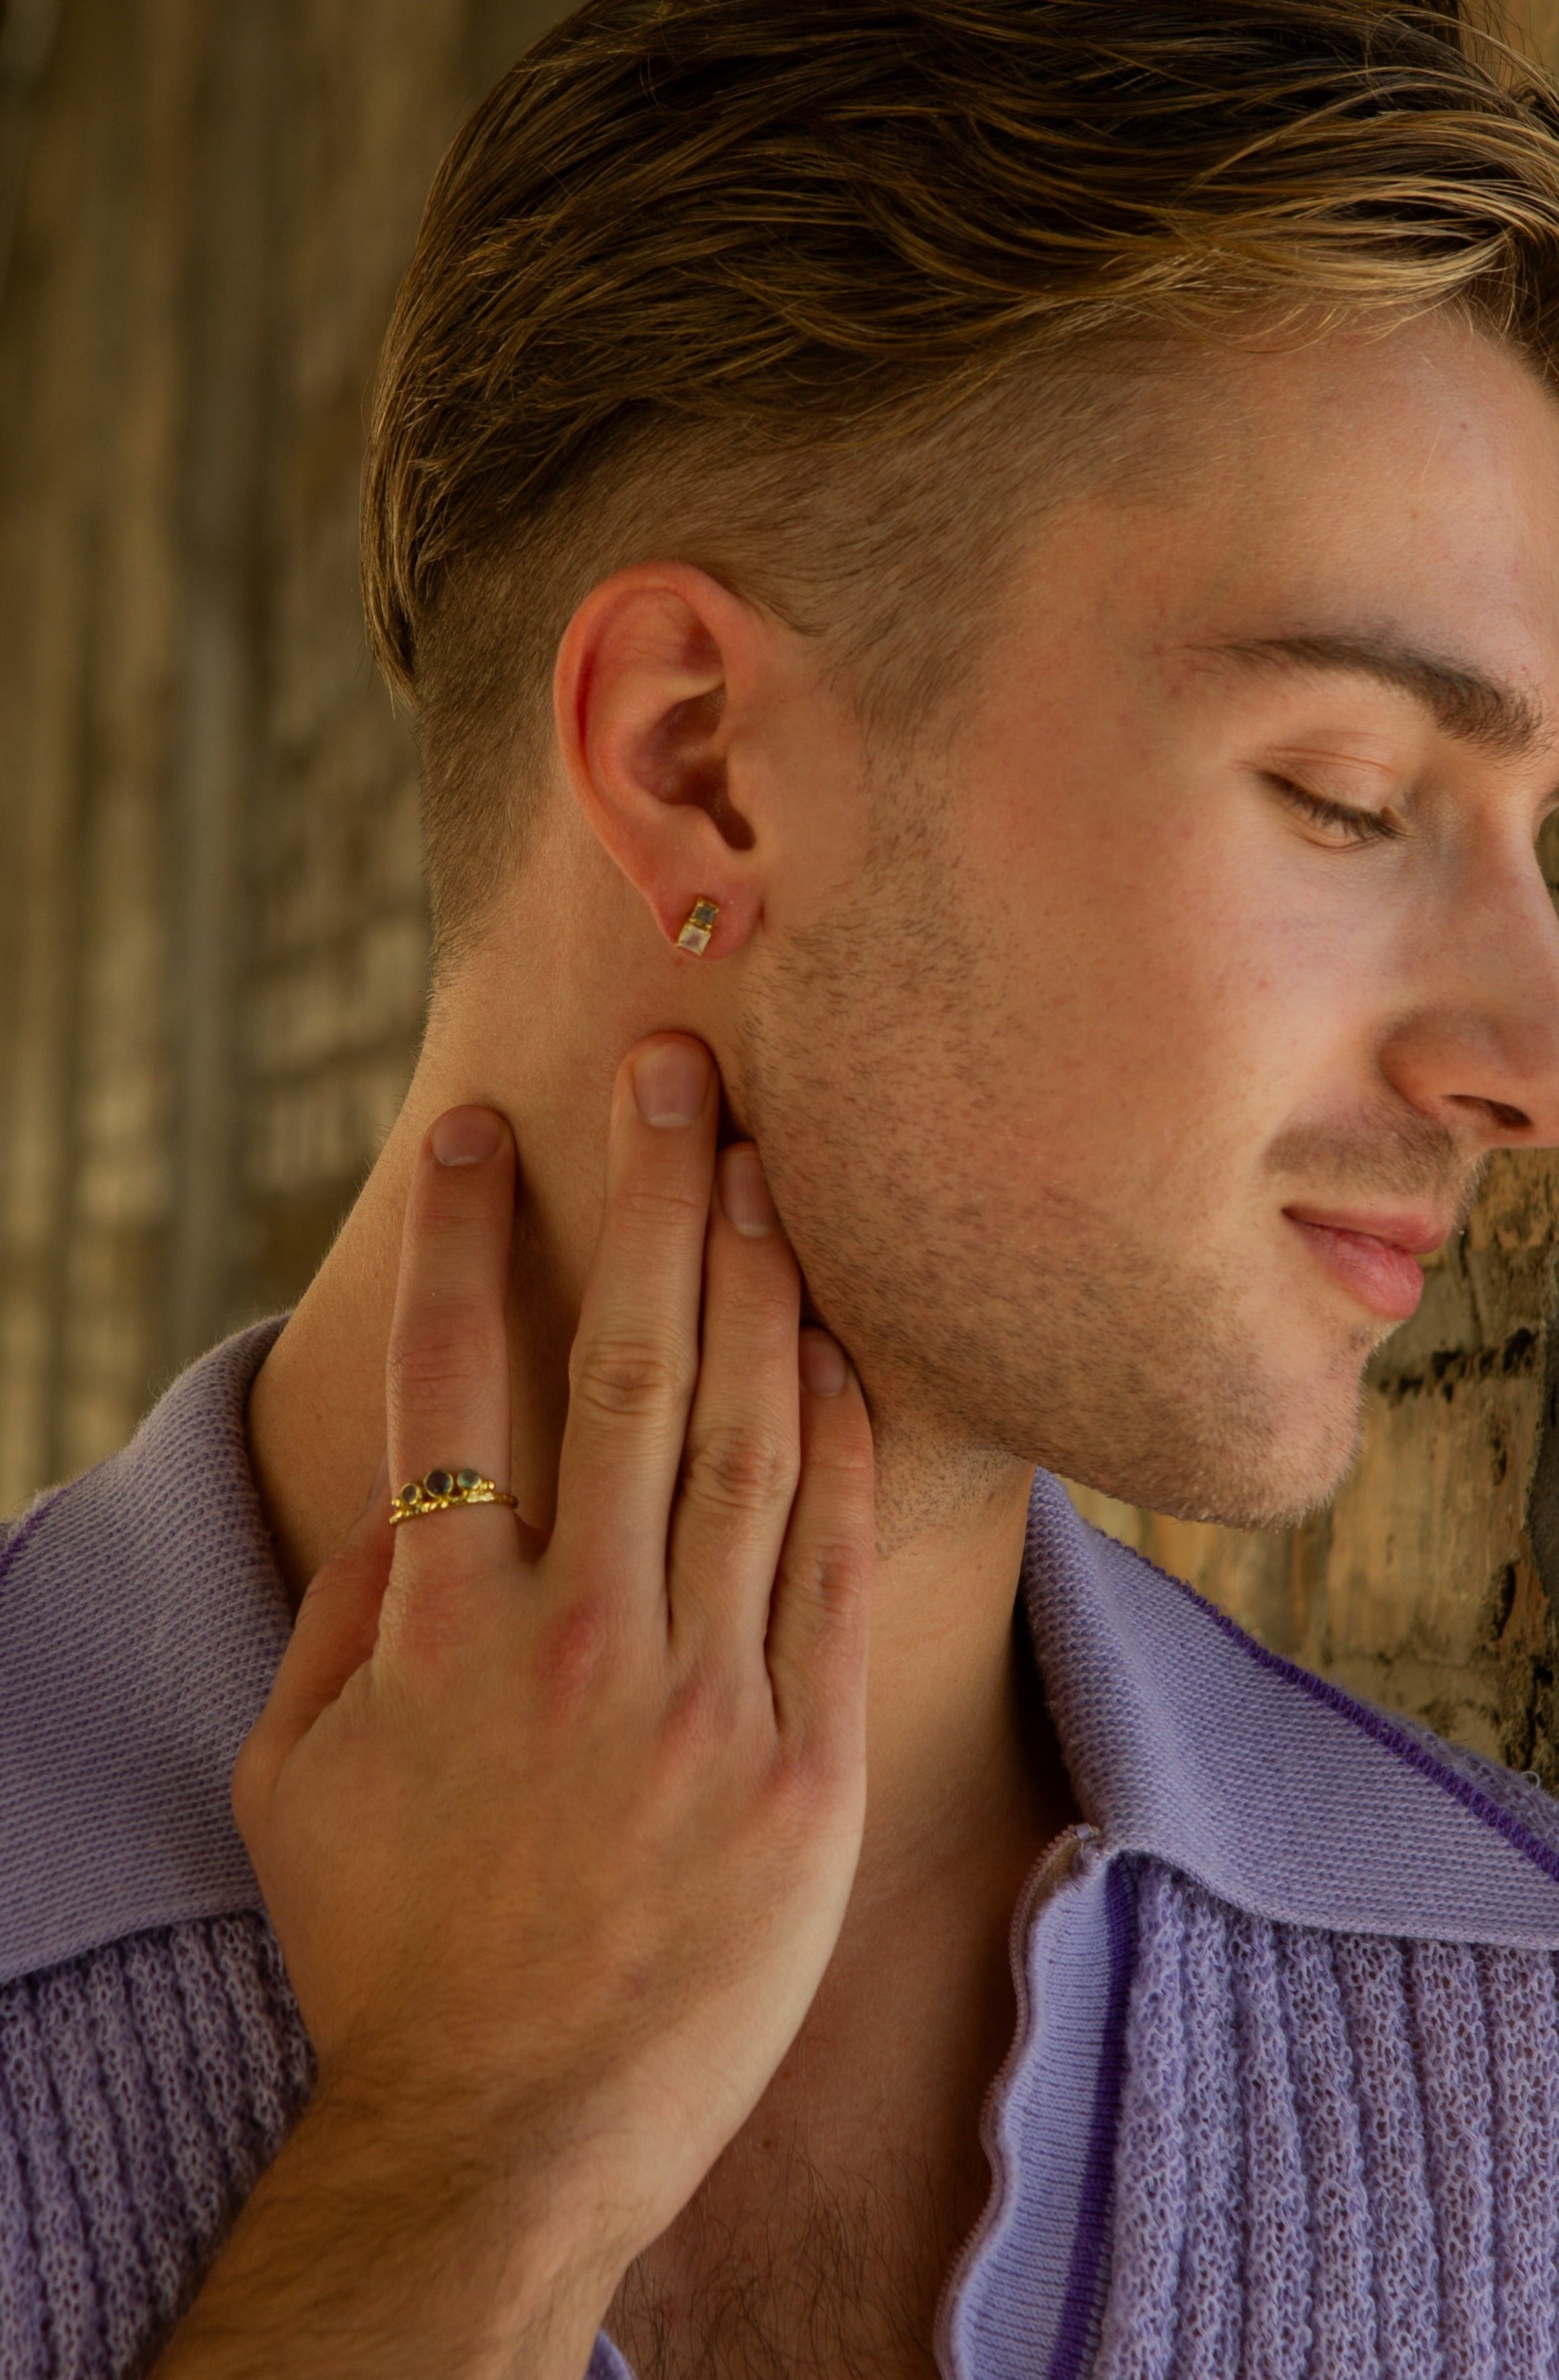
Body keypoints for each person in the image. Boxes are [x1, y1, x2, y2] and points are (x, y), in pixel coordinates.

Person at [9, 0, 1559, 2371]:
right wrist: (476, 2147)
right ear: (699, 760)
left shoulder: (1519, 2024)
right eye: (1345, 797)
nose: (1523, 1068)